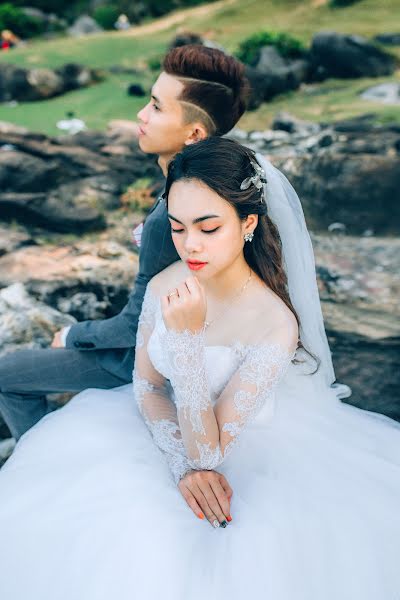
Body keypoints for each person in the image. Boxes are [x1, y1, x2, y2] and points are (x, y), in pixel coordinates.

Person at [0, 137, 399, 599]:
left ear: (247, 222)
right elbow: (148, 383)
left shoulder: (273, 322)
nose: (191, 245)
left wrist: (187, 344)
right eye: (177, 227)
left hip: (250, 452)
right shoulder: (167, 284)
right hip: (162, 434)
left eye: (209, 228)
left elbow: (210, 456)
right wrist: (177, 464)